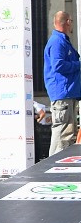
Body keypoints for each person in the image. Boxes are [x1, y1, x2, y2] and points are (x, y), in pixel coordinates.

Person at [43, 10, 80, 156]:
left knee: (68, 134)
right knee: (62, 134)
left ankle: (62, 167)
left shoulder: (61, 40)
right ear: (67, 22)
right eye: (71, 21)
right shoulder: (57, 41)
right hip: (62, 93)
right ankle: (53, 169)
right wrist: (79, 65)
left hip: (67, 93)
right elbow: (58, 65)